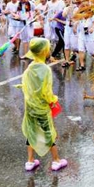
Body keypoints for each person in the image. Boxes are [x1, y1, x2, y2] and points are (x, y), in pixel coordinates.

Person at [19, 38, 67, 171]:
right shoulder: (45, 69)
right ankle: (56, 160)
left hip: (30, 107)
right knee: (48, 132)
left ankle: (30, 161)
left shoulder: (29, 68)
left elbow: (25, 85)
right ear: (44, 51)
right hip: (42, 107)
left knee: (31, 132)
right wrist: (53, 100)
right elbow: (46, 91)